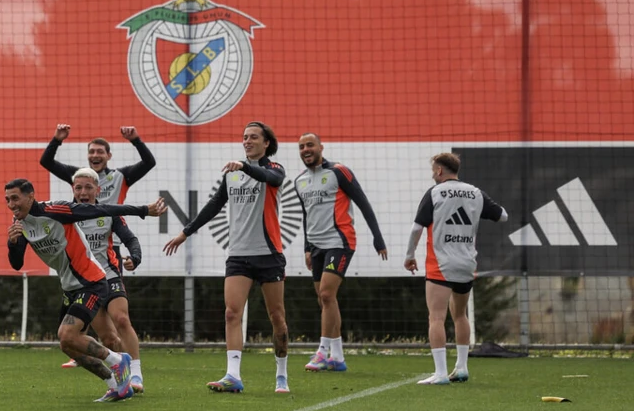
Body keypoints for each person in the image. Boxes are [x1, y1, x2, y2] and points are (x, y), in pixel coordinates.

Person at [4, 178, 166, 402]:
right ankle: (116, 385)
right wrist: (12, 243)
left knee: (68, 334)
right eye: (7, 200)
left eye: (15, 198)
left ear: (30, 196)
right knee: (68, 345)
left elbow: (101, 209)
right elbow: (16, 263)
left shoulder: (56, 210)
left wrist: (142, 210)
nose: (11, 204)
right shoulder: (19, 224)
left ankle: (120, 361)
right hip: (70, 287)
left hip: (91, 282)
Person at [163, 121, 291, 394]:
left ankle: (281, 374)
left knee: (277, 316)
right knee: (232, 313)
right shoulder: (231, 174)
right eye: (244, 137)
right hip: (238, 255)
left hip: (269, 254)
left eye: (253, 137)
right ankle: (233, 375)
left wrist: (245, 166)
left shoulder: (273, 168)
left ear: (266, 143)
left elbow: (273, 179)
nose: (247, 141)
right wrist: (185, 233)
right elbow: (212, 206)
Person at [41, 123, 156, 369]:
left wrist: (136, 139)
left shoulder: (119, 177)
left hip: (109, 251)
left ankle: (133, 372)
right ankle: (95, 354)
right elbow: (47, 162)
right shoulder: (79, 179)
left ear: (108, 156)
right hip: (83, 261)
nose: (95, 156)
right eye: (91, 152)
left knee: (121, 318)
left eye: (100, 152)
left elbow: (148, 163)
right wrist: (57, 139)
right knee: (102, 331)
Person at [404, 153, 507, 385]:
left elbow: (416, 229)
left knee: (436, 318)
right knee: (460, 315)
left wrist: (410, 255)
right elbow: (503, 216)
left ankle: (440, 373)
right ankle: (461, 368)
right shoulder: (475, 192)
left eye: (433, 170)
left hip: (441, 263)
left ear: (440, 171)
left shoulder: (435, 193)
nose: (433, 174)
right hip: (466, 263)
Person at [293, 133, 388, 373]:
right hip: (315, 246)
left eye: (310, 145)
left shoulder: (338, 171)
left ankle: (322, 352)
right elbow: (306, 216)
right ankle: (337, 357)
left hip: (340, 242)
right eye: (302, 146)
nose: (306, 149)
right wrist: (306, 247)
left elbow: (363, 202)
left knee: (326, 294)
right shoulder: (300, 181)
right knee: (325, 299)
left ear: (320, 147)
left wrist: (378, 237)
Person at [70, 168, 147, 393]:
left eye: (88, 187)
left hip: (109, 275)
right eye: (79, 187)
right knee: (109, 339)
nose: (83, 192)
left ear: (98, 190)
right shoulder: (66, 215)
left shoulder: (109, 213)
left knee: (121, 319)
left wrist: (135, 257)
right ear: (73, 190)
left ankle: (136, 374)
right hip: (86, 283)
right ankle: (122, 381)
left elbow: (130, 238)